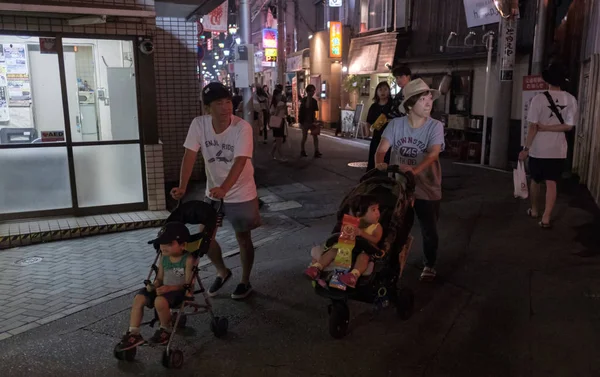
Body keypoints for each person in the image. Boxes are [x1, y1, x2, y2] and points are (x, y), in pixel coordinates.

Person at [171, 82, 260, 300]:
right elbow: (189, 155)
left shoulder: (242, 128)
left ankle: (245, 281)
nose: (226, 107)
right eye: (219, 103)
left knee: (243, 237)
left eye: (228, 102)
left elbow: (240, 161)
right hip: (213, 193)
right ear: (207, 108)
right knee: (205, 238)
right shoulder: (199, 125)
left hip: (241, 192)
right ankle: (223, 271)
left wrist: (225, 188)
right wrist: (183, 186)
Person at [375, 79, 444, 282]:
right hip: (400, 188)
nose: (428, 103)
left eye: (430, 99)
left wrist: (414, 171)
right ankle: (392, 262)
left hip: (427, 188)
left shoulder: (435, 126)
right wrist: (380, 165)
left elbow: (433, 155)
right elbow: (381, 150)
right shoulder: (396, 125)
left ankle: (429, 264)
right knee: (395, 226)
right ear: (410, 105)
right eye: (423, 99)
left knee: (428, 229)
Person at [519, 62, 577, 228]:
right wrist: (551, 128)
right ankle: (546, 218)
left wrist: (526, 149)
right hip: (558, 149)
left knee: (536, 180)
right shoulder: (571, 99)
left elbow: (533, 127)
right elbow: (569, 126)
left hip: (538, 149)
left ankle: (535, 209)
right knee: (552, 182)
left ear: (548, 80)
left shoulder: (538, 99)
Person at [118, 222, 194, 350]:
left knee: (159, 301)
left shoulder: (188, 259)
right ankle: (134, 333)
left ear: (182, 245)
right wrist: (153, 286)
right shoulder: (164, 258)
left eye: (169, 244)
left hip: (179, 291)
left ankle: (165, 329)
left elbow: (188, 284)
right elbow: (159, 278)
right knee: (139, 298)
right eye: (162, 244)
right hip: (163, 289)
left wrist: (170, 288)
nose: (164, 248)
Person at [304, 195, 383, 288]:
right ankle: (317, 267)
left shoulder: (376, 227)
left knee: (364, 258)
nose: (378, 213)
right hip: (347, 249)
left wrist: (362, 233)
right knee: (333, 251)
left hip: (364, 250)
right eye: (373, 210)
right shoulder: (352, 223)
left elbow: (376, 239)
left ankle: (353, 275)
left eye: (378, 209)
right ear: (359, 214)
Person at [366, 81, 394, 171]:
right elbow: (368, 122)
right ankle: (374, 180)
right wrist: (368, 133)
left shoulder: (393, 106)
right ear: (376, 92)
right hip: (377, 137)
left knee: (388, 160)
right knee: (374, 159)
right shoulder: (373, 106)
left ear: (389, 91)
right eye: (380, 89)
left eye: (385, 89)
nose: (383, 92)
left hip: (390, 138)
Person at [298, 84, 322, 158]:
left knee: (315, 136)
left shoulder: (314, 101)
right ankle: (302, 150)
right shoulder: (304, 100)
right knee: (304, 137)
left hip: (311, 121)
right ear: (307, 91)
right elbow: (301, 111)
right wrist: (300, 121)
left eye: (313, 91)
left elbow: (315, 112)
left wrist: (316, 120)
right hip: (305, 121)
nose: (313, 92)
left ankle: (316, 151)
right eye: (311, 91)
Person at [270, 88, 287, 161]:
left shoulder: (282, 103)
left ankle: (272, 153)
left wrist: (284, 108)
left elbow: (285, 113)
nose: (280, 96)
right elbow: (273, 114)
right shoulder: (273, 105)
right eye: (279, 95)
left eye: (281, 95)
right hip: (276, 122)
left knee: (279, 139)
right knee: (279, 140)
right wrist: (278, 109)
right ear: (275, 96)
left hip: (281, 121)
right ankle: (282, 157)